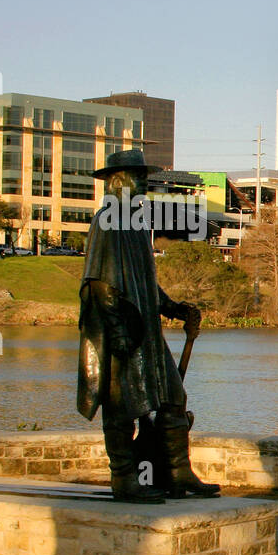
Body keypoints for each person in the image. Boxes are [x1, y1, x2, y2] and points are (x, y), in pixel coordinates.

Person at [76, 149, 220, 503]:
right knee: (121, 406)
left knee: (173, 399)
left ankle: (178, 473)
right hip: (122, 331)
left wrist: (172, 307)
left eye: (143, 176)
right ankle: (124, 477)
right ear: (116, 179)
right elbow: (96, 281)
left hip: (149, 335)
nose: (142, 182)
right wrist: (118, 328)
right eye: (137, 176)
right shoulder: (105, 221)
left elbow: (146, 282)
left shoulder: (138, 224)